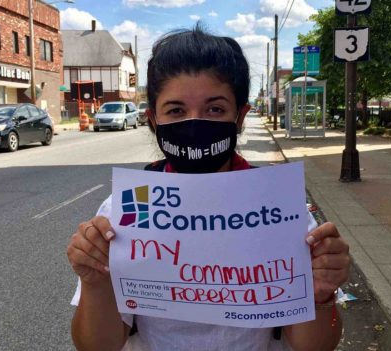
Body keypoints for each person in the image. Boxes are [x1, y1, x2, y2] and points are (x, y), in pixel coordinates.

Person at [67, 25, 350, 351]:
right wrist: (95, 282)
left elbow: (316, 346)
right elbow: (96, 346)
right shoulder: (124, 214)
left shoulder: (282, 215)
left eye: (215, 109)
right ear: (153, 120)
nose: (194, 122)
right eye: (176, 110)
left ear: (240, 116)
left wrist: (322, 294)